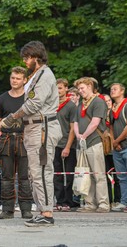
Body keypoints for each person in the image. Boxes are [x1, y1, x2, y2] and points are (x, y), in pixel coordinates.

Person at [0, 41, 62, 227]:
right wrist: (21, 119)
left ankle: (47, 213)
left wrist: (12, 117)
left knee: (41, 171)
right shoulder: (37, 76)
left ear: (36, 57)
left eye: (27, 58)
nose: (25, 61)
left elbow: (34, 104)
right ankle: (43, 210)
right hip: (34, 127)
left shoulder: (44, 75)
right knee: (35, 172)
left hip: (42, 129)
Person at [0, 67, 33, 219]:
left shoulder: (30, 98)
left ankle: (26, 209)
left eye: (18, 78)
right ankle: (8, 209)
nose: (14, 80)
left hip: (25, 139)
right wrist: (3, 124)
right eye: (12, 78)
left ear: (24, 80)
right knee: (6, 177)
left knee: (24, 177)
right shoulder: (1, 99)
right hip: (7, 140)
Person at [73, 77, 110, 213]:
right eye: (79, 89)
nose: (80, 91)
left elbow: (95, 122)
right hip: (82, 143)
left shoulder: (98, 101)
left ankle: (103, 204)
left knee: (98, 174)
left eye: (82, 88)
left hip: (94, 141)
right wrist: (78, 135)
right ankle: (90, 204)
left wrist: (84, 135)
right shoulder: (81, 103)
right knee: (86, 174)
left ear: (90, 86)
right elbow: (75, 121)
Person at [109, 83, 127, 211]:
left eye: (115, 89)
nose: (112, 91)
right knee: (121, 176)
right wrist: (114, 141)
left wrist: (117, 141)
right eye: (111, 89)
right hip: (117, 148)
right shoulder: (112, 108)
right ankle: (125, 201)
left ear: (122, 91)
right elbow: (111, 127)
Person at [53, 78, 77, 211]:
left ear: (66, 89)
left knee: (68, 174)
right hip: (54, 143)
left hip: (67, 144)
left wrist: (68, 146)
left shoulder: (71, 106)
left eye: (60, 88)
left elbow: (73, 128)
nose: (58, 91)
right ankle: (59, 200)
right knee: (57, 174)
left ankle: (68, 200)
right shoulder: (52, 104)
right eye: (56, 88)